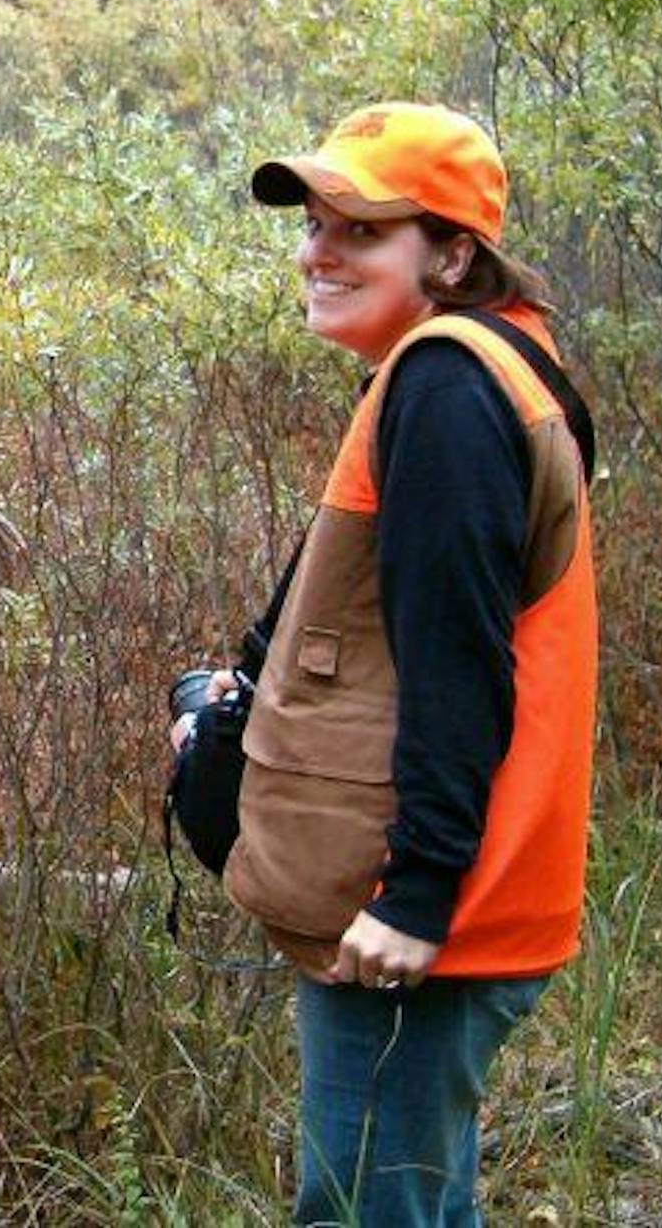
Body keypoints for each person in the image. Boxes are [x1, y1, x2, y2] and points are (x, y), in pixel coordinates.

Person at [179, 102, 597, 1224]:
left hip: (428, 925)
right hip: (461, 902)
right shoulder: (482, 365)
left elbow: (457, 665)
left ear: (453, 254)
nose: (319, 252)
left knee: (367, 1208)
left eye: (361, 230)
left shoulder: (451, 386)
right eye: (315, 224)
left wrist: (416, 894)